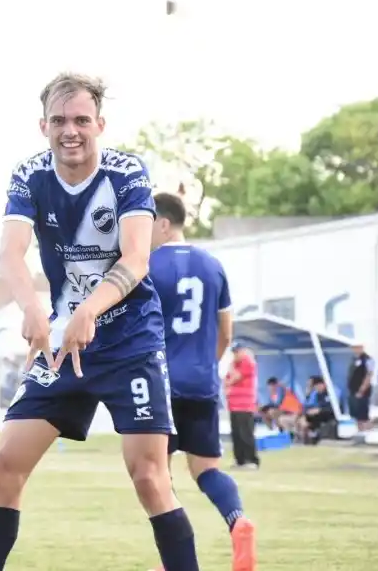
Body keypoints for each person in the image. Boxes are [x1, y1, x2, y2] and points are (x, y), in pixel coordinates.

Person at [0, 73, 200, 571]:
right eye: (58, 121)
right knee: (3, 468)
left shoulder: (127, 174)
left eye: (80, 120)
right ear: (42, 126)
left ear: (100, 123)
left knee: (149, 478)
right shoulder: (30, 175)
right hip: (62, 344)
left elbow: (137, 258)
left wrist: (89, 310)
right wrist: (32, 307)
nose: (69, 131)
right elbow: (10, 253)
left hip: (129, 340)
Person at [149, 192, 256, 571]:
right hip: (202, 383)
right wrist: (206, 365)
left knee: (155, 474)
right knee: (207, 468)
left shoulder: (145, 265)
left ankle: (172, 558)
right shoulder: (213, 265)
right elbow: (225, 331)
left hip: (159, 385)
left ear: (162, 223)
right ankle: (237, 520)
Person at [224, 345, 260, 469]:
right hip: (233, 405)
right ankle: (239, 459)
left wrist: (231, 368)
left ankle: (251, 460)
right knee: (236, 434)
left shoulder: (248, 362)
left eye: (237, 352)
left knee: (246, 433)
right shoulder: (235, 364)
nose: (235, 355)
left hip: (245, 405)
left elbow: (235, 377)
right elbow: (226, 381)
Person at [295, 376, 334, 444]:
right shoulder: (317, 394)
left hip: (328, 416)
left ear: (323, 384)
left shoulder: (331, 392)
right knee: (302, 418)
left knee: (306, 418)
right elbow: (307, 406)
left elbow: (332, 408)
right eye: (315, 387)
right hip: (318, 415)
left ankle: (308, 438)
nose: (317, 388)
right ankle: (305, 439)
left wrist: (319, 410)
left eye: (318, 386)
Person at [347, 343, 374, 431]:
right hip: (353, 390)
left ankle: (366, 430)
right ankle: (359, 430)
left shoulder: (367, 359)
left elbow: (369, 375)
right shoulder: (354, 359)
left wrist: (362, 389)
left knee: (363, 413)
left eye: (357, 347)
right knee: (356, 413)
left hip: (362, 391)